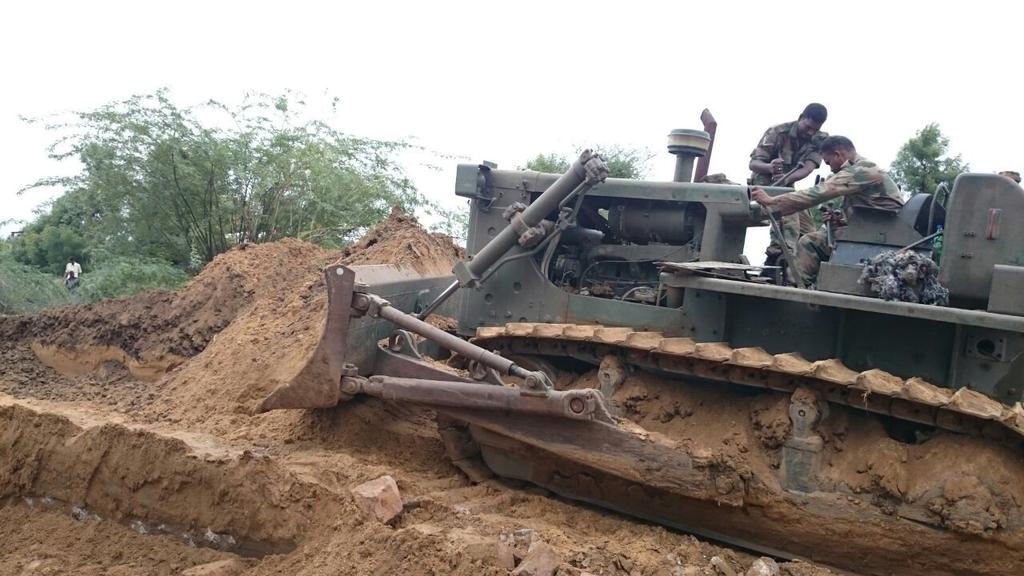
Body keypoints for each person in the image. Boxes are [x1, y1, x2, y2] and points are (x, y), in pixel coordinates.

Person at [751, 135, 903, 286]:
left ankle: (794, 289)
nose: (830, 168)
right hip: (878, 231)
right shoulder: (864, 169)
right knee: (820, 235)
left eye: (829, 162)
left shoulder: (861, 170)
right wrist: (841, 220)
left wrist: (772, 202)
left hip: (878, 236)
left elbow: (818, 193)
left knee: (810, 242)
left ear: (838, 154)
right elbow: (873, 208)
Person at [749, 103, 829, 265]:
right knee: (788, 217)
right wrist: (770, 168)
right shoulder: (777, 132)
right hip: (765, 185)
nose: (810, 132)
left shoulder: (819, 139)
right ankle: (776, 260)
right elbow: (753, 164)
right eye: (808, 127)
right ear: (801, 118)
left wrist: (786, 178)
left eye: (815, 129)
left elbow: (808, 168)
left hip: (787, 186)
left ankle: (798, 266)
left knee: (809, 232)